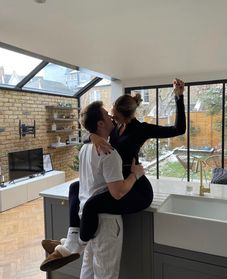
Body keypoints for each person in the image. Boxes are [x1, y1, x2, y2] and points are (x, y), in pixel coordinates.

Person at [40, 78, 186, 270]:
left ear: (127, 116)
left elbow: (178, 129)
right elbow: (93, 127)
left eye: (115, 117)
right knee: (75, 187)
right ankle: (72, 238)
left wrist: (179, 97)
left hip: (135, 187)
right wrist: (92, 136)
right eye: (110, 116)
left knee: (91, 205)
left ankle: (75, 247)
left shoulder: (141, 129)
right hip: (117, 180)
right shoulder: (114, 128)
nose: (112, 119)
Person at [40, 101, 145, 278]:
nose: (111, 117)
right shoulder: (109, 153)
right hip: (106, 223)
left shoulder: (85, 148)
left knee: (87, 269)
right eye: (106, 115)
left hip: (86, 220)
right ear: (100, 124)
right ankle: (72, 245)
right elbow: (117, 192)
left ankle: (71, 245)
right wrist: (135, 174)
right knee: (105, 274)